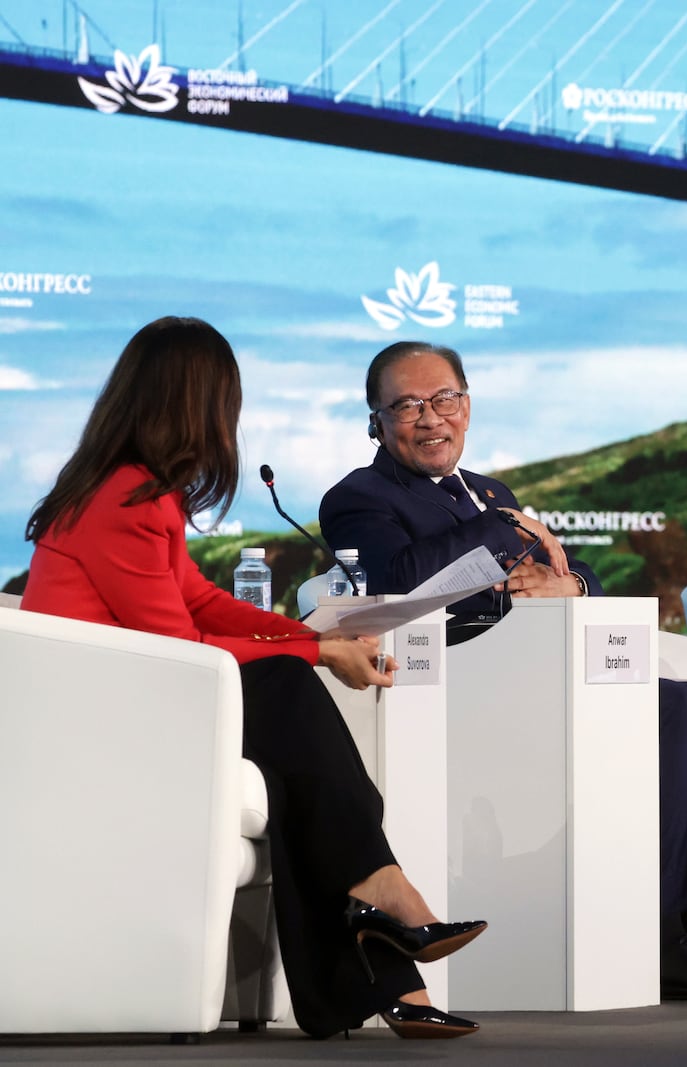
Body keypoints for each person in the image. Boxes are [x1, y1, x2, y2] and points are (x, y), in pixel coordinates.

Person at [21, 317, 487, 1039]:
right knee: (285, 691)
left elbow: (199, 601)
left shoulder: (141, 491)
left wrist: (316, 636)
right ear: (195, 403)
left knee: (301, 767)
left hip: (132, 698)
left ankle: (394, 967)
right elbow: (176, 643)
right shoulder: (123, 498)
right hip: (99, 714)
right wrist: (315, 656)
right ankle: (389, 901)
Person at [320, 341, 687, 1000]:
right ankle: (663, 936)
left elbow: (567, 571)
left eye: (445, 399)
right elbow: (399, 581)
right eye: (408, 405)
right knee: (671, 709)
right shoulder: (360, 497)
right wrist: (498, 534)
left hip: (540, 671)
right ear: (376, 421)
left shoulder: (492, 492)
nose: (431, 418)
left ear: (468, 405)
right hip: (459, 687)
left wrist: (569, 584)